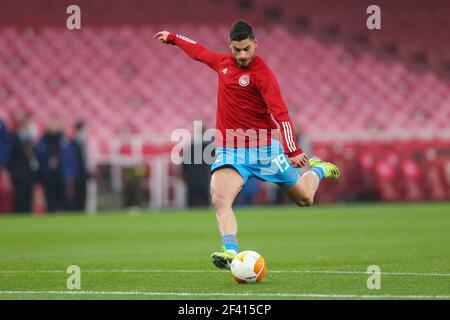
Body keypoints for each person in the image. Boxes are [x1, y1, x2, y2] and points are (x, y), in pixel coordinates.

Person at [154, 20, 340, 269]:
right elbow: (199, 51)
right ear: (229, 45)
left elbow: (281, 114)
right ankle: (230, 251)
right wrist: (173, 37)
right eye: (237, 49)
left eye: (247, 49)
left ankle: (319, 169)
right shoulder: (222, 64)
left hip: (264, 149)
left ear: (255, 43)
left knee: (305, 198)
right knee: (220, 198)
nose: (242, 55)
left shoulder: (263, 74)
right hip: (231, 150)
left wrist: (292, 149)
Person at [6, 114, 39, 213]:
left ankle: (27, 214)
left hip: (30, 173)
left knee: (28, 196)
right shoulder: (14, 138)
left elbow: (33, 156)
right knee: (20, 197)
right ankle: (19, 214)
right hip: (19, 173)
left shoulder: (31, 139)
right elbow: (10, 156)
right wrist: (13, 171)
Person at [71, 120, 89, 211]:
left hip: (83, 172)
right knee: (77, 193)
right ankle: (77, 209)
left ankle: (82, 209)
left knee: (83, 192)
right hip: (76, 172)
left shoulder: (84, 142)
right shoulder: (73, 143)